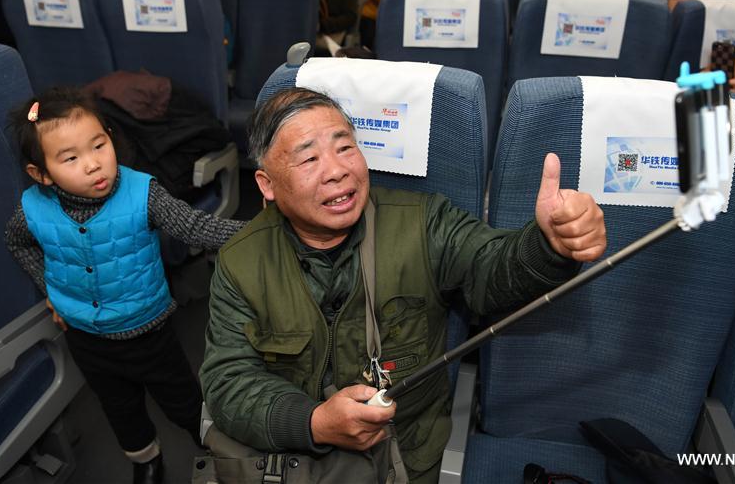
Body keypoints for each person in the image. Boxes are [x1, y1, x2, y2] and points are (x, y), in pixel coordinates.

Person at [200, 88, 607, 483]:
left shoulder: (423, 223)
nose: (337, 170)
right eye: (308, 158)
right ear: (267, 185)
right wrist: (314, 422)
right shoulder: (242, 260)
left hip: (404, 457)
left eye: (345, 148)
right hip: (290, 462)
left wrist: (549, 246)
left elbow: (491, 267)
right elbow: (228, 381)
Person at [5, 87, 245, 484]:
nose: (93, 164)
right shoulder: (32, 207)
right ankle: (146, 460)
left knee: (184, 402)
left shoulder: (142, 192)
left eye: (99, 145)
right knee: (120, 409)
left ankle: (218, 449)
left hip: (149, 332)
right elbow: (17, 242)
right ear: (41, 174)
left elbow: (196, 226)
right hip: (86, 338)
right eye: (71, 158)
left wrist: (262, 232)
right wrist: (49, 291)